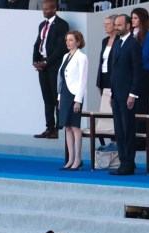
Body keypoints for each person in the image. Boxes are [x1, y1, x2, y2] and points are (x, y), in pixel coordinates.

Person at [109, 14, 142, 176]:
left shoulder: (133, 44)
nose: (116, 27)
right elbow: (114, 70)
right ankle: (123, 161)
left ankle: (128, 163)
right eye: (115, 25)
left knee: (127, 129)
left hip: (127, 95)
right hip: (116, 94)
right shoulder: (117, 43)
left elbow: (137, 71)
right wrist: (111, 93)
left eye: (119, 25)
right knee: (119, 130)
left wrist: (133, 94)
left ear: (128, 26)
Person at [33, 0, 69, 140]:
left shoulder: (62, 25)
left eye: (47, 9)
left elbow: (61, 48)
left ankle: (58, 129)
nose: (44, 11)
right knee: (47, 98)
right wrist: (36, 61)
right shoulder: (42, 25)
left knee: (56, 98)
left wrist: (46, 62)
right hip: (43, 67)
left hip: (54, 66)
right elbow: (38, 44)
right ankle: (49, 127)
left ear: (55, 9)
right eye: (43, 9)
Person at [58, 31, 88, 171]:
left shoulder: (82, 57)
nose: (68, 42)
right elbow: (62, 78)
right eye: (67, 40)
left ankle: (78, 159)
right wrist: (59, 97)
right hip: (64, 93)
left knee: (75, 127)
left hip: (74, 94)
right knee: (67, 127)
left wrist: (78, 100)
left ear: (78, 41)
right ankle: (70, 158)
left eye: (71, 40)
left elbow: (82, 80)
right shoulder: (65, 56)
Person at [131, 8, 149, 148]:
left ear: (142, 19)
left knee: (141, 106)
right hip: (132, 74)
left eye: (135, 18)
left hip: (143, 73)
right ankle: (134, 137)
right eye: (132, 18)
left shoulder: (148, 35)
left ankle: (142, 140)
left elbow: (145, 55)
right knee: (132, 107)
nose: (133, 20)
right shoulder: (129, 34)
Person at [97, 15, 118, 96]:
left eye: (108, 24)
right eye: (104, 24)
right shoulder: (105, 41)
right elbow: (101, 61)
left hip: (113, 76)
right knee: (104, 103)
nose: (105, 26)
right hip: (104, 76)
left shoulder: (119, 40)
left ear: (114, 25)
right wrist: (99, 81)